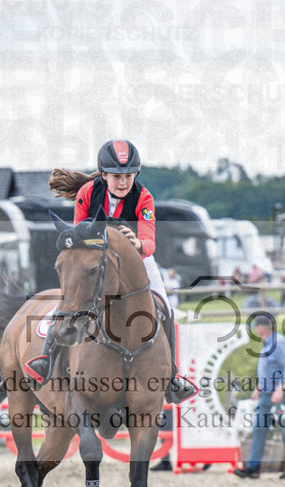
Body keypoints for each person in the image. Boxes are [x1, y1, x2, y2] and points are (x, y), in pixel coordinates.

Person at [25, 139, 197, 404]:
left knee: (165, 306)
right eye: (117, 176)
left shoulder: (144, 197)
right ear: (104, 174)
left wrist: (138, 243)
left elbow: (150, 241)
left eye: (129, 176)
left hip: (136, 259)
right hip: (95, 257)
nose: (123, 182)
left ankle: (171, 376)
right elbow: (79, 235)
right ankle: (46, 359)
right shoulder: (87, 193)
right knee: (72, 297)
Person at [234, 314, 285, 480]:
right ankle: (253, 467)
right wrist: (259, 388)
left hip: (281, 393)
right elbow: (269, 369)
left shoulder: (278, 342)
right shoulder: (267, 344)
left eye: (257, 326)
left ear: (262, 327)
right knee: (259, 428)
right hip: (267, 393)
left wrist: (281, 389)